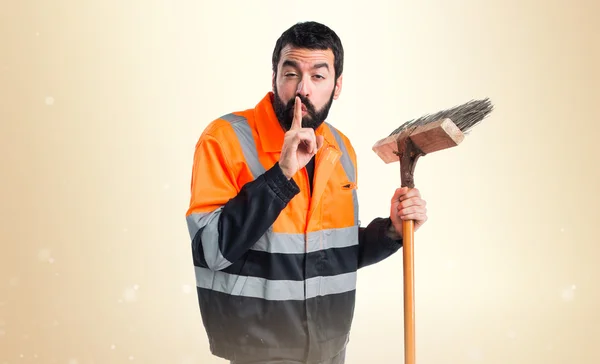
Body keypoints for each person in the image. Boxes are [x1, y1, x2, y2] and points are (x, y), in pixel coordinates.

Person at [185, 21, 428, 364]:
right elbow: (211, 250)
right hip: (259, 348)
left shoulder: (340, 148)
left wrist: (390, 229)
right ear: (274, 79)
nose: (303, 89)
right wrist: (282, 173)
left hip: (330, 346)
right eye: (290, 73)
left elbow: (330, 252)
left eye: (318, 75)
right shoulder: (225, 139)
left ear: (337, 85)